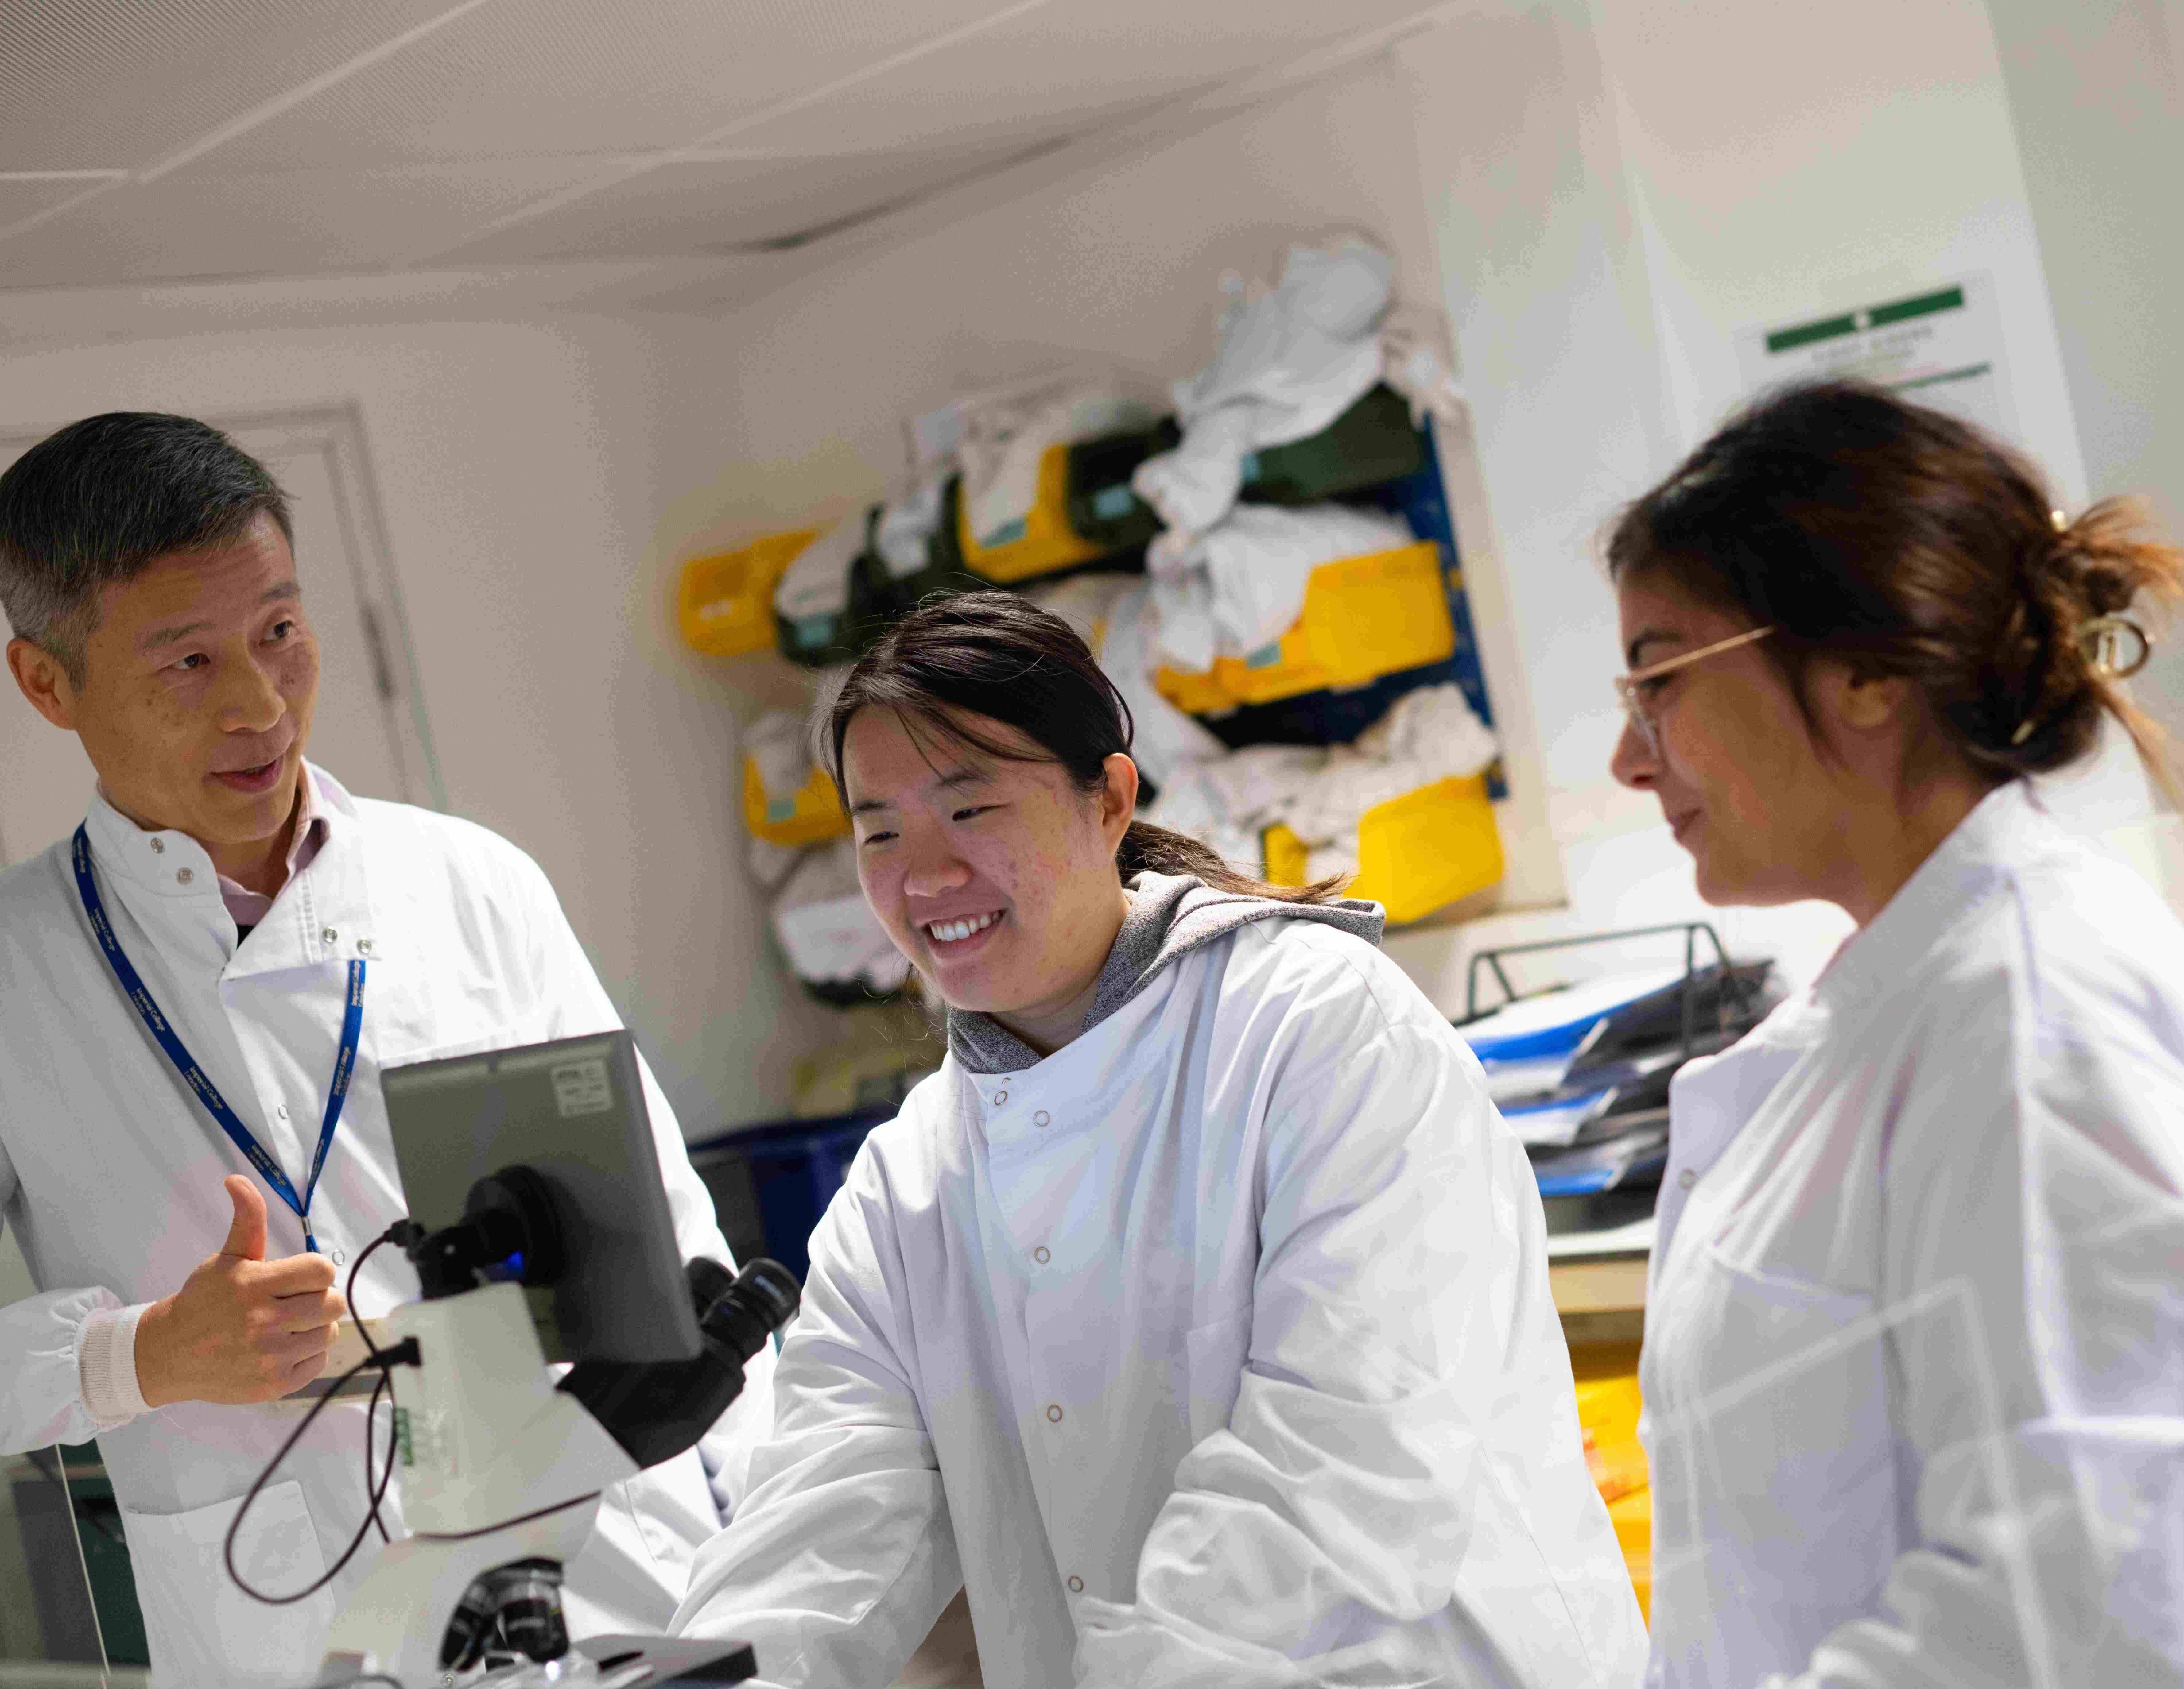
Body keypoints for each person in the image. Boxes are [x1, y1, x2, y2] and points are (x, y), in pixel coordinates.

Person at [672, 592, 1647, 1687]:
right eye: (879, 830)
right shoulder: (908, 1185)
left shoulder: (1311, 1027)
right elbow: (825, 1512)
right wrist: (708, 1676)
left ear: (1108, 800)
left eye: (971, 811)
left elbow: (1351, 1453)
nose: (924, 876)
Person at [0, 413, 775, 1687]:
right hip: (289, 1617)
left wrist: (774, 1559)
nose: (258, 703)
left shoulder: (468, 882)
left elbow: (670, 1251)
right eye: (188, 660)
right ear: (48, 682)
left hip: (605, 1566)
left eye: (281, 634)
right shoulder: (20, 968)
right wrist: (133, 1357)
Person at [1605, 379, 2184, 1687]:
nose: (1632, 763)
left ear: (1863, 669)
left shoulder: (2033, 1019)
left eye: (1659, 682)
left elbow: (2089, 1609)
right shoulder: (1912, 994)